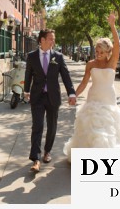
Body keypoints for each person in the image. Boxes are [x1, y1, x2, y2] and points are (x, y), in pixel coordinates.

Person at [64, 13, 120, 162]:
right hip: (93, 98)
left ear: (108, 52)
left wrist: (112, 25)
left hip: (108, 98)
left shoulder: (112, 62)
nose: (98, 55)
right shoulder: (90, 64)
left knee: (109, 128)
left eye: (102, 52)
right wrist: (74, 95)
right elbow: (84, 82)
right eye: (97, 52)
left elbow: (117, 44)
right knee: (92, 128)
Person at [24, 28, 76, 172]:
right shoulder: (32, 56)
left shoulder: (58, 57)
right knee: (37, 126)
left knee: (52, 126)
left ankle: (47, 151)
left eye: (53, 39)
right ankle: (35, 159)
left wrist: (71, 93)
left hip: (53, 96)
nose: (53, 41)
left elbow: (66, 76)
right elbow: (28, 74)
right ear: (42, 40)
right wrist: (26, 90)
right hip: (37, 97)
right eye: (51, 38)